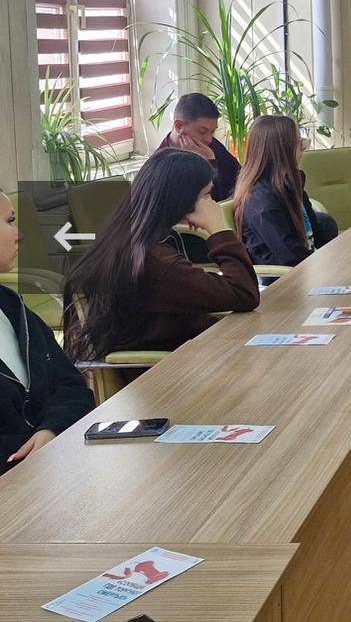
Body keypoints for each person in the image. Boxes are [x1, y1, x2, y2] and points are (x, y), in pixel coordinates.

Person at [63, 149, 260, 360]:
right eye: (206, 195)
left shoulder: (127, 239)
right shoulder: (156, 262)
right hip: (175, 368)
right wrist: (219, 229)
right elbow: (243, 293)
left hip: (184, 353)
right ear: (182, 200)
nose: (211, 204)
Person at [0, 191, 95, 474]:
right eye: (9, 221)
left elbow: (72, 387)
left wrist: (50, 430)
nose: (19, 235)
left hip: (53, 468)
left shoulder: (12, 308)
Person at [234, 115, 336, 267]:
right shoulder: (262, 201)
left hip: (307, 266)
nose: (303, 146)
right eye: (298, 141)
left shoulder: (289, 185)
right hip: (286, 277)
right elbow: (290, 255)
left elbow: (314, 234)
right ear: (283, 149)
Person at [154, 92, 241, 201]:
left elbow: (241, 175)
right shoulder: (160, 164)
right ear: (179, 126)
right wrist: (209, 164)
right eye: (202, 131)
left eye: (212, 132)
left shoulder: (210, 146)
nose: (209, 139)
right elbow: (207, 202)